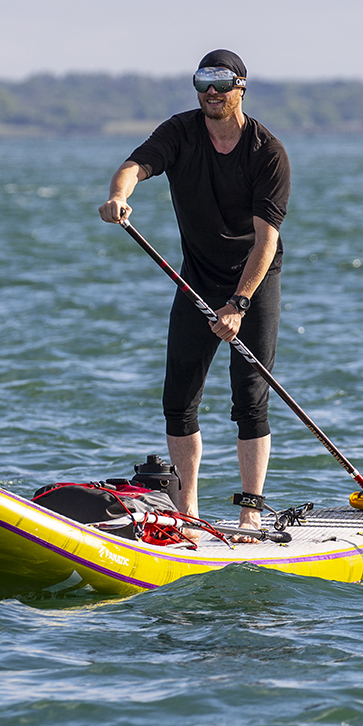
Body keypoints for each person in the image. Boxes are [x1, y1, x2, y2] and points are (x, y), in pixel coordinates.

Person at [98, 49, 291, 532]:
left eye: (222, 84)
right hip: (196, 278)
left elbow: (266, 241)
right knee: (178, 400)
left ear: (241, 88)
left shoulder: (268, 153)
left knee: (249, 399)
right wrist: (119, 196)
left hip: (254, 279)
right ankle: (189, 516)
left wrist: (239, 305)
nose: (211, 92)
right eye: (203, 83)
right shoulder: (180, 132)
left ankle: (249, 514)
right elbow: (134, 166)